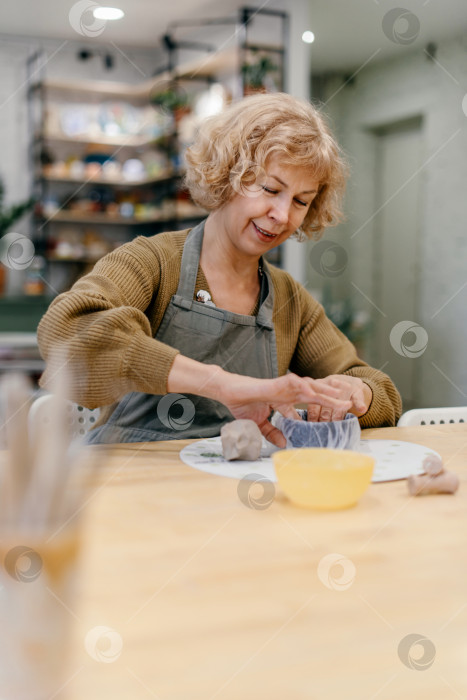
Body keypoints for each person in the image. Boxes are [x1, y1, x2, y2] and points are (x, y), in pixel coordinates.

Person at [37, 93, 402, 446]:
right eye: (270, 188)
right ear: (227, 174)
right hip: (127, 485)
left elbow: (381, 391)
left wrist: (359, 393)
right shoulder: (152, 262)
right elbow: (67, 331)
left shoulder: (289, 300)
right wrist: (219, 383)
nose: (282, 215)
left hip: (229, 493)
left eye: (301, 201)